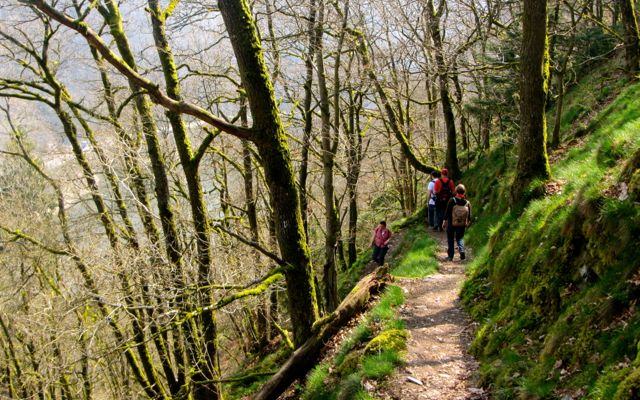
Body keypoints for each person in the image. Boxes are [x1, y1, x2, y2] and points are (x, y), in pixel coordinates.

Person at [443, 184, 471, 261]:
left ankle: (450, 256)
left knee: (450, 238)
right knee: (460, 238)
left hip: (452, 223)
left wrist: (444, 221)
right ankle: (461, 251)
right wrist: (468, 222)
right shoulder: (467, 202)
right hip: (461, 224)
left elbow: (447, 212)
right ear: (464, 192)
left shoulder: (452, 200)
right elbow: (469, 215)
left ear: (456, 191)